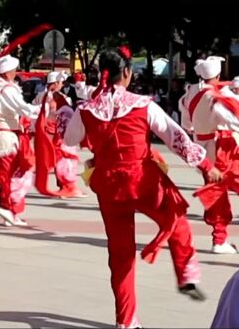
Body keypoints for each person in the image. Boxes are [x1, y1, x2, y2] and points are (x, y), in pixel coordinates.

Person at [64, 47, 219, 328]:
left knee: (120, 254)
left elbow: (69, 138)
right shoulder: (142, 104)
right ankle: (186, 273)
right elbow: (176, 137)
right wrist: (207, 167)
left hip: (109, 185)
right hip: (142, 179)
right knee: (177, 218)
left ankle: (126, 321)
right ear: (127, 72)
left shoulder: (86, 109)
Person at [181, 56, 239, 254]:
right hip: (221, 147)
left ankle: (219, 238)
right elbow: (232, 121)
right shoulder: (216, 96)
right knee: (219, 193)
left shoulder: (190, 92)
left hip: (203, 149)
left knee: (216, 193)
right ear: (218, 74)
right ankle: (219, 240)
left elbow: (186, 124)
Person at [0, 55, 39, 226]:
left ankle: (9, 210)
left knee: (8, 175)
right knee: (15, 174)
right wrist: (43, 109)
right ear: (7, 72)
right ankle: (8, 208)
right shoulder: (6, 89)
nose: (15, 73)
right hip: (7, 136)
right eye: (13, 71)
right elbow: (23, 108)